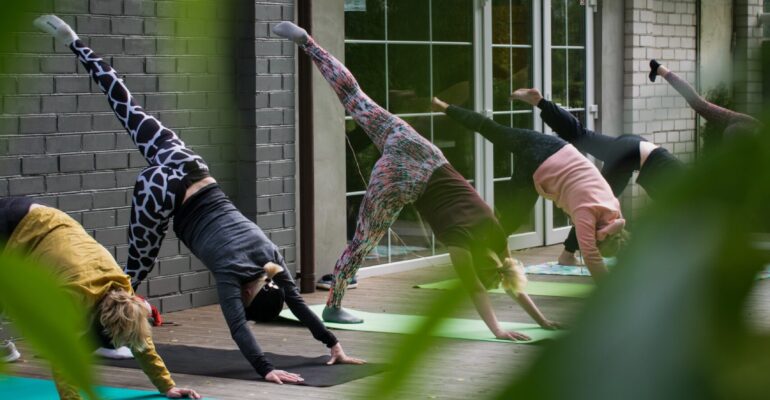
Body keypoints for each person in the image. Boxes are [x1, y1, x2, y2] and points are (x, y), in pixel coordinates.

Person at [34, 15, 363, 385]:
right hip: (162, 194)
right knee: (130, 277)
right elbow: (239, 329)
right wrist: (266, 369)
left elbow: (299, 306)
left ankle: (76, 42)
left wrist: (333, 344)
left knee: (127, 105)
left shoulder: (272, 257)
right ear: (248, 295)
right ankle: (100, 335)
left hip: (190, 167)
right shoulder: (230, 275)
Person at [272, 21, 560, 339]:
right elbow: (478, 289)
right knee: (361, 243)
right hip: (401, 180)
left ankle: (308, 43)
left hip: (420, 151)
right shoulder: (460, 246)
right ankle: (333, 304)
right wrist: (499, 330)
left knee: (355, 98)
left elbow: (509, 277)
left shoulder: (496, 236)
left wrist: (543, 320)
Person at [1, 197, 200, 399]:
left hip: (47, 218)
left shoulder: (123, 292)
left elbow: (141, 342)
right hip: (13, 228)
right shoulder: (73, 297)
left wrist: (167, 386)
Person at [431, 96, 629, 282]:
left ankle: (444, 106)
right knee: (511, 220)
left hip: (553, 145)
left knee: (491, 129)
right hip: (539, 165)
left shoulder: (613, 207)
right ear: (601, 241)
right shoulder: (587, 213)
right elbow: (591, 256)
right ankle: (480, 260)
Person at [509, 88, 684, 266]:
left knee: (581, 136)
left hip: (634, 146)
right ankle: (568, 254)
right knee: (592, 203)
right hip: (628, 156)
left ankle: (540, 102)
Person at [649, 60, 761, 140]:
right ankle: (659, 69)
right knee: (698, 104)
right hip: (741, 129)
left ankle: (659, 69)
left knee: (698, 104)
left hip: (742, 123)